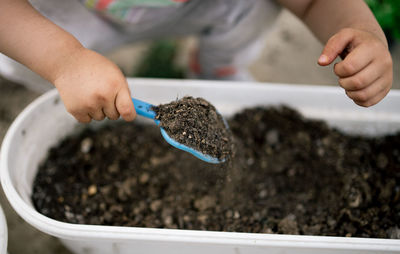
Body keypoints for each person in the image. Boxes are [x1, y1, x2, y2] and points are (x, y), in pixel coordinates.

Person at [0, 0, 393, 123]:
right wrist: (62, 61)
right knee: (24, 55)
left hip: (199, 6)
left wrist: (359, 28)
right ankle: (69, 92)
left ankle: (216, 71)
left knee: (250, 8)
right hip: (70, 14)